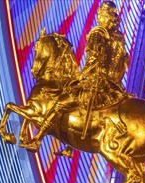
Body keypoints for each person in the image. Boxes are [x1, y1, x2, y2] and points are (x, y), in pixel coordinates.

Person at [21, 1, 130, 155]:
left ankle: (37, 139)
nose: (99, 17)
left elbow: (94, 59)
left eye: (101, 14)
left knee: (61, 103)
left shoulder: (98, 33)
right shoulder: (120, 39)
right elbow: (122, 65)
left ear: (103, 16)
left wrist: (81, 74)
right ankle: (70, 147)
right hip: (114, 88)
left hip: (95, 83)